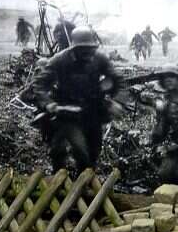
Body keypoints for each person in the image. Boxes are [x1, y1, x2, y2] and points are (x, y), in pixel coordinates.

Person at [33, 28, 122, 173]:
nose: (88, 53)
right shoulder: (59, 60)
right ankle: (62, 177)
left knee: (93, 152)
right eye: (83, 50)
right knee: (80, 150)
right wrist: (49, 103)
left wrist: (116, 101)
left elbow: (118, 79)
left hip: (93, 112)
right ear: (74, 48)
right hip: (68, 113)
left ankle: (85, 178)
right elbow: (40, 84)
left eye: (91, 49)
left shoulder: (100, 58)